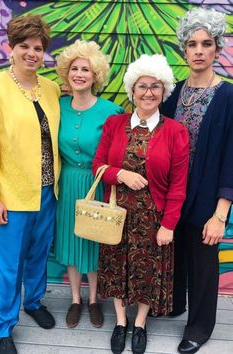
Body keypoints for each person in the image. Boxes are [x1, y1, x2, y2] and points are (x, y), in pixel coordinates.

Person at [92, 54, 189, 354]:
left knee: (147, 273)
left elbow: (178, 185)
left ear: (164, 92)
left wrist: (169, 225)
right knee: (117, 269)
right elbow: (98, 165)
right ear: (132, 90)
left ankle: (140, 324)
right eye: (142, 86)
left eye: (155, 87)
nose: (148, 92)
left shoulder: (176, 131)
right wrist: (120, 174)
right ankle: (121, 322)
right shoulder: (114, 124)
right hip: (117, 215)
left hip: (154, 220)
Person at [161, 8, 233, 354]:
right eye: (192, 44)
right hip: (173, 195)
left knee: (203, 265)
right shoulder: (173, 94)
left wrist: (221, 214)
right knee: (174, 254)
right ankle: (174, 305)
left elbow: (232, 156)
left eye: (207, 43)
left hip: (207, 196)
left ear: (217, 49)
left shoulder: (228, 96)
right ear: (184, 50)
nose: (199, 50)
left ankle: (200, 327)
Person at [0, 14, 60, 354]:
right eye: (25, 46)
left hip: (48, 190)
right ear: (11, 47)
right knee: (8, 265)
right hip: (12, 193)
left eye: (38, 48)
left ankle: (34, 302)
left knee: (38, 254)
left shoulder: (49, 88)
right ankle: (3, 326)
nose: (32, 53)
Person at [55, 39, 124, 329]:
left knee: (94, 239)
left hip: (97, 183)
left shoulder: (110, 111)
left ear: (96, 75)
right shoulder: (57, 106)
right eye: (74, 68)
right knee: (71, 240)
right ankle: (75, 299)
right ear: (66, 73)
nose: (80, 74)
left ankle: (94, 300)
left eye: (86, 69)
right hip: (68, 181)